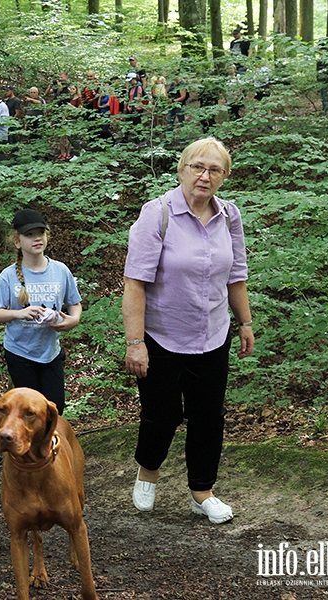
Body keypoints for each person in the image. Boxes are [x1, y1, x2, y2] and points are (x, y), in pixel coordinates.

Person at [122, 137, 254, 525]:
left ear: (224, 176)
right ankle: (148, 471)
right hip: (163, 336)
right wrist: (135, 343)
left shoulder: (229, 216)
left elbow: (237, 275)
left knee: (209, 416)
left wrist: (244, 322)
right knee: (161, 414)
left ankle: (202, 491)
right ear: (181, 169)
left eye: (214, 169)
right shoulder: (157, 214)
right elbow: (135, 283)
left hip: (213, 334)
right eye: (197, 166)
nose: (204, 175)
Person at [0, 209, 83, 417]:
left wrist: (72, 320)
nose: (37, 238)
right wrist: (19, 314)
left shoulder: (60, 270)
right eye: (29, 235)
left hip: (50, 352)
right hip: (20, 353)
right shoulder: (8, 276)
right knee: (28, 411)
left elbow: (75, 304)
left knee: (54, 409)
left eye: (41, 233)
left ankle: (51, 449)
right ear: (17, 242)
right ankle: (25, 450)